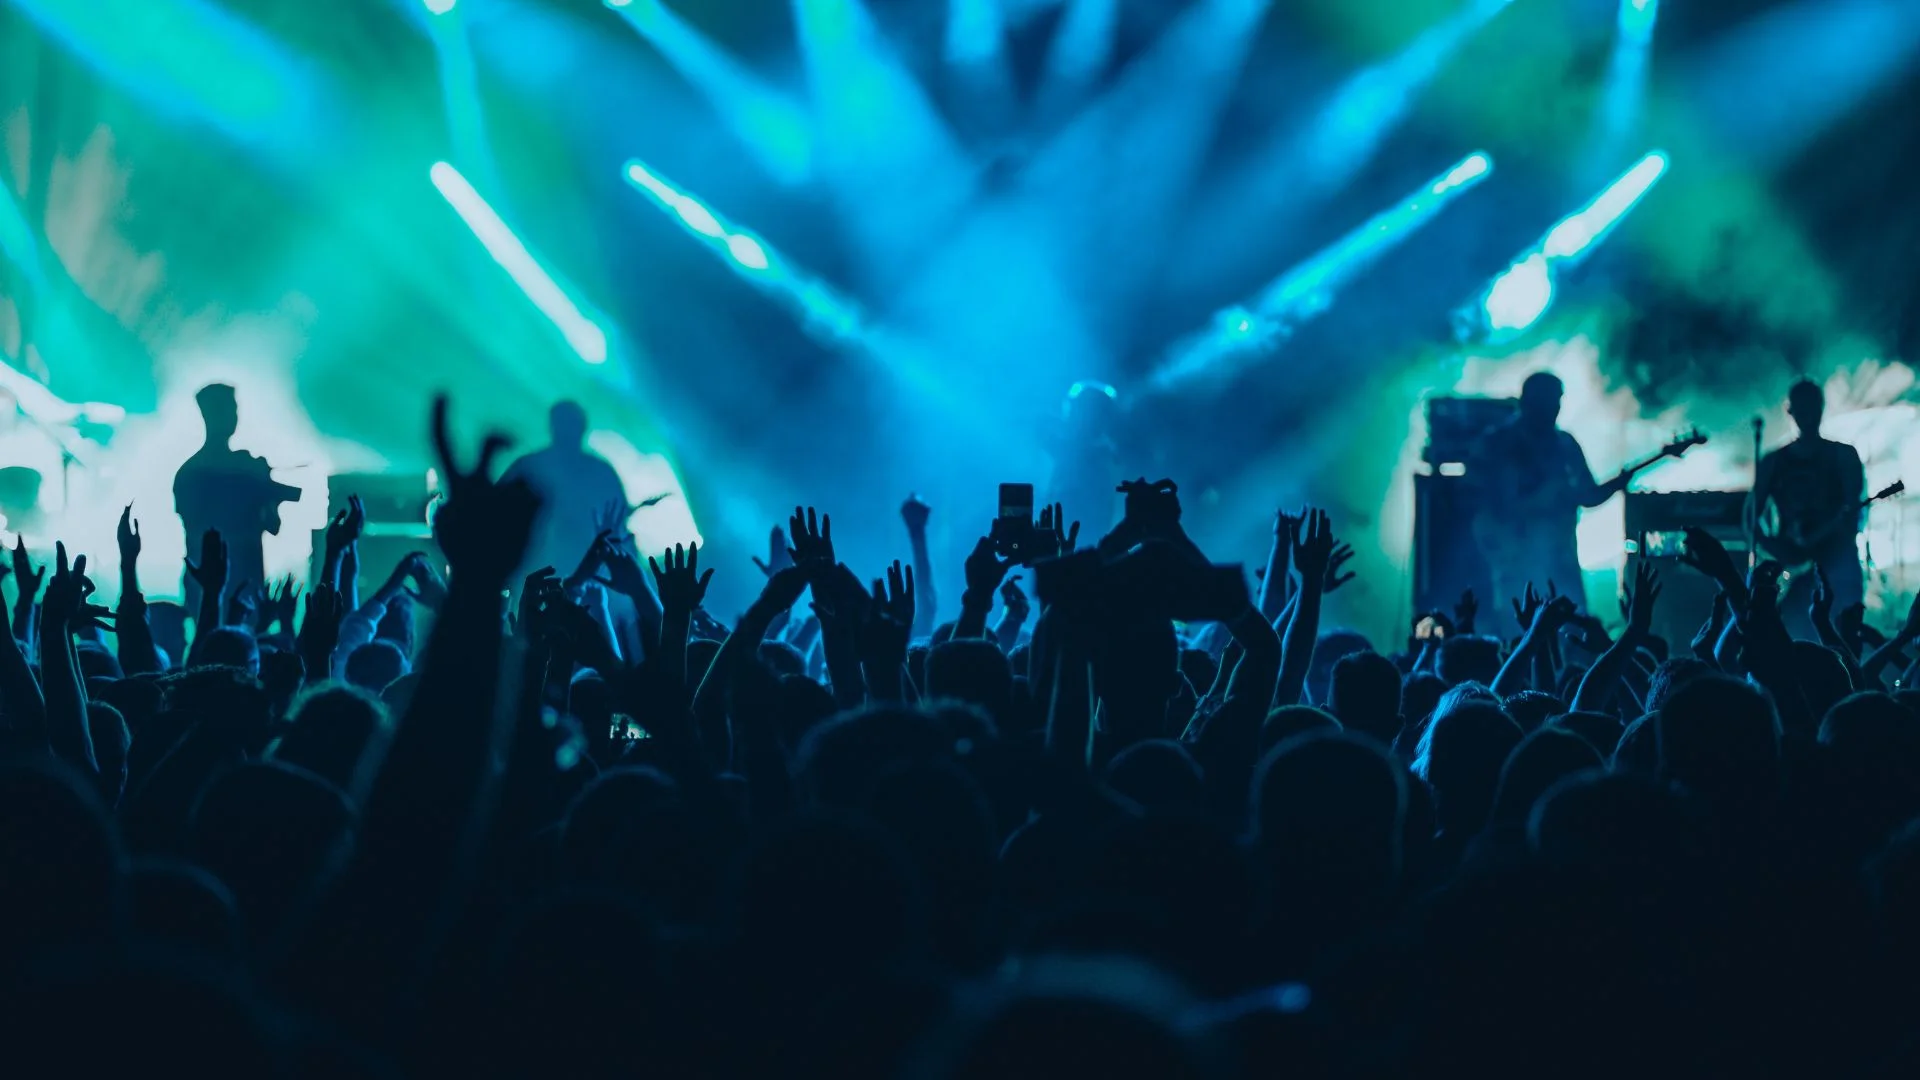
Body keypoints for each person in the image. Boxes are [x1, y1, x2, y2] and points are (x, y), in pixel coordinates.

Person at [1466, 372, 1628, 619]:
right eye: (1550, 401)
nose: (1555, 408)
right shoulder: (1497, 443)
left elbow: (1588, 495)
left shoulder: (1565, 444)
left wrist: (1619, 483)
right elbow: (1474, 499)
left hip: (1559, 556)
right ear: (1529, 402)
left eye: (1557, 401)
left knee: (1571, 620)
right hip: (1514, 557)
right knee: (1517, 619)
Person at [172, 384, 299, 615]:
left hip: (238, 585)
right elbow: (199, 529)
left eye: (234, 409)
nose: (233, 417)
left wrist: (265, 488)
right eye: (228, 409)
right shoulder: (196, 473)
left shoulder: (193, 471)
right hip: (219, 585)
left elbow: (272, 524)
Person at [1752, 379, 1866, 629]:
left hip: (1836, 561)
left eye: (1811, 407)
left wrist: (1825, 538)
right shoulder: (1774, 461)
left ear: (1821, 407)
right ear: (1790, 410)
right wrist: (1776, 549)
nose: (1808, 415)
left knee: (1844, 628)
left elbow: (1853, 512)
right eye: (1802, 408)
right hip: (1791, 564)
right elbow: (1749, 517)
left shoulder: (1843, 456)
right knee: (1791, 633)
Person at [500, 401, 629, 582]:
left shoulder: (601, 473)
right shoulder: (530, 466)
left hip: (585, 569)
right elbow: (497, 509)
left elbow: (619, 520)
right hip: (534, 565)